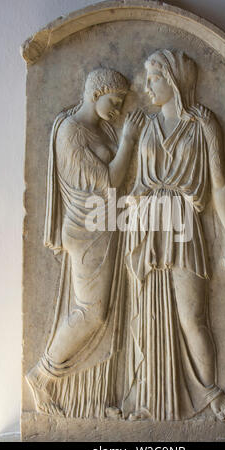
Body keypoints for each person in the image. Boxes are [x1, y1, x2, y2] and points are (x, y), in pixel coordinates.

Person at [123, 50, 225, 422]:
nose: (146, 86)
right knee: (147, 318)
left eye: (154, 78)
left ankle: (209, 393)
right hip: (147, 228)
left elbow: (221, 184)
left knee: (192, 317)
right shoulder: (145, 127)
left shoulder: (204, 124)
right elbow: (133, 183)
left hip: (185, 227)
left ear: (172, 80)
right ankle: (150, 398)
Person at [27, 68, 144, 418]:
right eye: (115, 100)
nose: (120, 108)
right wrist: (129, 139)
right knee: (92, 314)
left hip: (107, 228)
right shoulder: (70, 133)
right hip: (87, 233)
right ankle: (42, 374)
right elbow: (108, 181)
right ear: (98, 93)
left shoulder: (96, 128)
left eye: (123, 102)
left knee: (107, 317)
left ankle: (94, 401)